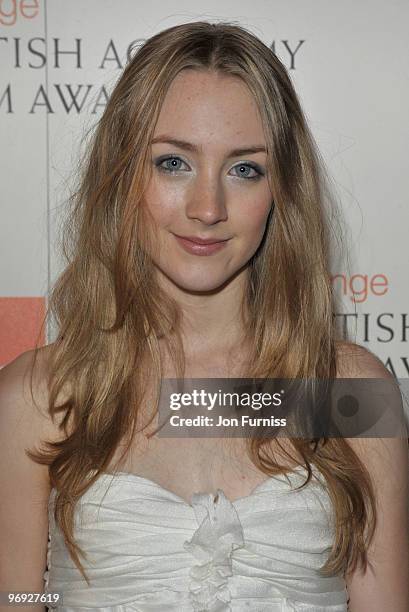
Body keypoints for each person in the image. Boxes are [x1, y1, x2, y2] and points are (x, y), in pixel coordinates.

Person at [0, 20, 408, 612]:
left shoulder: (350, 393)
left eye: (245, 169)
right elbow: (14, 596)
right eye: (173, 163)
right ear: (122, 177)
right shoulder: (39, 398)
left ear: (281, 192)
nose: (208, 208)